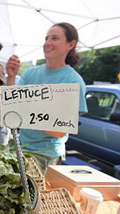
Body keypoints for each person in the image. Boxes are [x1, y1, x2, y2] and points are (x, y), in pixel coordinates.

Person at [6, 22, 88, 171]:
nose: (47, 43)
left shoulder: (73, 81)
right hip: (19, 148)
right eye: (46, 38)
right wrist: (11, 77)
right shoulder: (31, 73)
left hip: (45, 156)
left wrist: (24, 109)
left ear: (70, 44)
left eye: (55, 38)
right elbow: (10, 109)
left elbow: (60, 130)